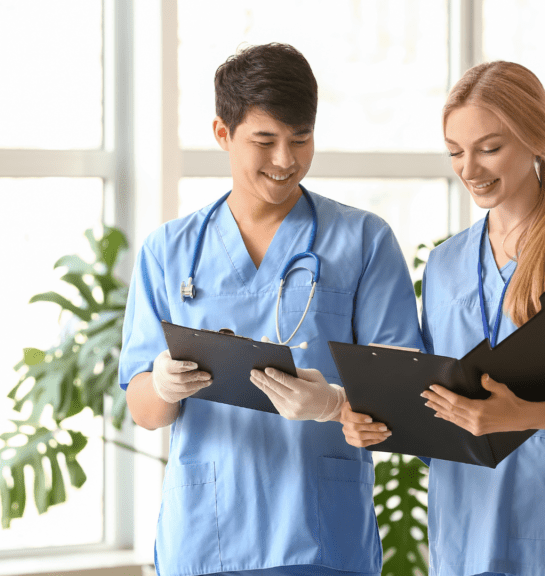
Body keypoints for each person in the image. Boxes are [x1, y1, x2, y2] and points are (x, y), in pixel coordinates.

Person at [119, 43, 422, 576]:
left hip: (324, 537)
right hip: (205, 538)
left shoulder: (363, 242)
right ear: (223, 134)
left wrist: (333, 404)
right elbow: (143, 412)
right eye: (265, 140)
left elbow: (407, 406)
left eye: (300, 140)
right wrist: (162, 385)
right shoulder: (168, 251)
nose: (286, 160)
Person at [342, 61, 545, 576]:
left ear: (536, 139)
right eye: (456, 152)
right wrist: (374, 419)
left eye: (489, 148)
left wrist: (518, 415)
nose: (470, 169)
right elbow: (431, 390)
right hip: (462, 515)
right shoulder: (444, 263)